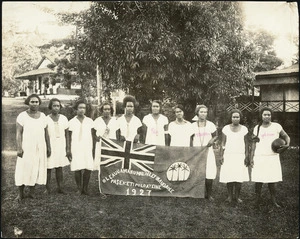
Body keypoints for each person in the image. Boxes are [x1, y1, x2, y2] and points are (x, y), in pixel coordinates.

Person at [249, 107, 290, 209]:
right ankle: (257, 200)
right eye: (265, 115)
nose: (267, 116)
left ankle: (273, 201)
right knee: (258, 180)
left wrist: (287, 144)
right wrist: (251, 157)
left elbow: (286, 136)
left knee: (272, 180)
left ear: (271, 116)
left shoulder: (276, 126)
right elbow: (254, 144)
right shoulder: (257, 128)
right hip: (260, 156)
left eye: (269, 115)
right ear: (261, 116)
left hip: (273, 157)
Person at [15, 94, 51, 201]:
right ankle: (20, 193)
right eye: (32, 102)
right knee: (23, 168)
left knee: (36, 167)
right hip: (27, 146)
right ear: (28, 102)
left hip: (40, 146)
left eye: (36, 102)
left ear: (39, 103)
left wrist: (48, 147)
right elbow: (18, 133)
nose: (34, 104)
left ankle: (31, 192)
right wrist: (19, 148)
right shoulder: (22, 116)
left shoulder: (43, 116)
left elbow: (46, 133)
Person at [219, 109, 249, 203]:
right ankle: (230, 196)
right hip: (228, 155)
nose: (236, 119)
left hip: (240, 155)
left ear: (240, 118)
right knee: (230, 175)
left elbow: (246, 143)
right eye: (234, 117)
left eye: (237, 117)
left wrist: (247, 155)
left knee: (239, 176)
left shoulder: (244, 129)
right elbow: (223, 143)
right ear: (231, 118)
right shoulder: (226, 128)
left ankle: (237, 196)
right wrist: (221, 155)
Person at [67, 100, 94, 195]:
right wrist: (68, 149)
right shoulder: (71, 122)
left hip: (87, 146)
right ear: (76, 109)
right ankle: (79, 188)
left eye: (84, 108)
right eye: (80, 108)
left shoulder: (90, 121)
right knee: (77, 167)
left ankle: (85, 188)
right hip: (76, 147)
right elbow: (68, 137)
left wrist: (93, 149)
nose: (82, 110)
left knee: (88, 167)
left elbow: (93, 135)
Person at [191, 105, 218, 201]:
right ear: (197, 113)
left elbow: (215, 136)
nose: (203, 114)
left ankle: (209, 194)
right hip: (197, 151)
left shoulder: (210, 124)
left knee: (209, 171)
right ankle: (197, 192)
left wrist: (212, 140)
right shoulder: (193, 125)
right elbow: (190, 138)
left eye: (205, 112)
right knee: (197, 171)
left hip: (208, 150)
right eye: (201, 112)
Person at [45, 98, 70, 194]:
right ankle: (47, 188)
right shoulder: (46, 119)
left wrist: (67, 147)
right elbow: (45, 134)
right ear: (50, 107)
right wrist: (48, 146)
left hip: (60, 144)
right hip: (50, 144)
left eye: (58, 106)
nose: (56, 108)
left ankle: (60, 187)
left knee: (59, 167)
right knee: (49, 167)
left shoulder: (63, 118)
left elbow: (67, 134)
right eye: (54, 106)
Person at [93, 102, 118, 171]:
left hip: (111, 145)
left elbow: (118, 134)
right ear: (102, 110)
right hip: (100, 145)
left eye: (108, 109)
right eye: (105, 109)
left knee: (111, 164)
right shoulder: (97, 121)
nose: (107, 111)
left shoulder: (115, 121)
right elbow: (93, 133)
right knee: (100, 164)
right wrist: (96, 138)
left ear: (111, 110)